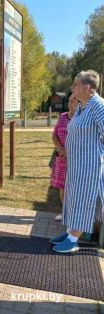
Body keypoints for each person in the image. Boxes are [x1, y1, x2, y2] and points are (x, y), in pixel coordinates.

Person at [50, 70, 104, 253]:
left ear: (87, 87)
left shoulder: (98, 106)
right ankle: (69, 232)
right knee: (72, 199)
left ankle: (73, 240)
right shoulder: (82, 106)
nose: (72, 88)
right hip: (75, 166)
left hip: (89, 167)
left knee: (82, 201)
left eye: (76, 84)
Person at [50, 93, 78, 221]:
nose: (70, 103)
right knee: (62, 187)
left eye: (73, 100)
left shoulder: (81, 118)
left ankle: (74, 214)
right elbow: (54, 135)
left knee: (74, 187)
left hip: (76, 159)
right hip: (62, 158)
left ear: (80, 103)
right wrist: (60, 148)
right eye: (69, 100)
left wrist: (69, 151)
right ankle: (64, 212)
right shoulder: (62, 117)